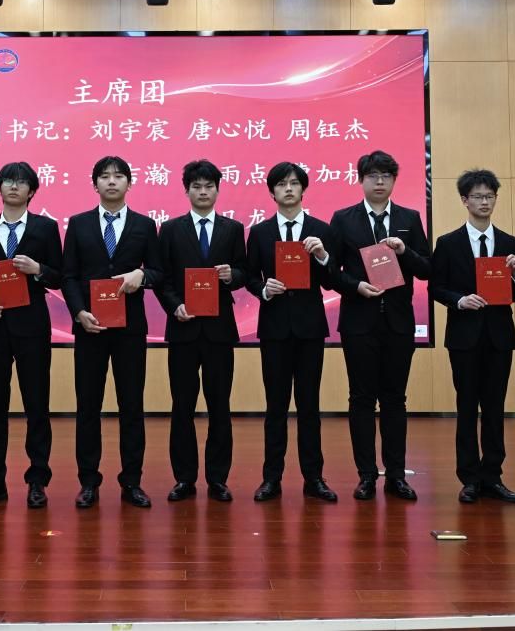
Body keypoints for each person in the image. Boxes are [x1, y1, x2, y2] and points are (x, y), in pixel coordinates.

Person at [61, 156, 163, 509]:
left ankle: (131, 481)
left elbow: (159, 272)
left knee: (131, 406)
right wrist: (79, 313)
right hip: (89, 327)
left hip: (130, 330)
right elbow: (68, 276)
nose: (111, 181)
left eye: (119, 176)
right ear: (95, 184)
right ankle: (88, 481)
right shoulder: (79, 224)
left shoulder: (145, 225)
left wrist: (143, 276)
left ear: (129, 183)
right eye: (104, 176)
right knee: (88, 406)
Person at [329, 150, 431, 501]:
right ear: (361, 180)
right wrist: (355, 286)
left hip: (398, 324)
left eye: (386, 176)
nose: (379, 182)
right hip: (358, 322)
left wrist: (405, 251)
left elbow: (426, 269)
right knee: (361, 399)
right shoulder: (343, 219)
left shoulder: (409, 218)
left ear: (394, 180)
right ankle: (366, 475)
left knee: (395, 400)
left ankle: (396, 476)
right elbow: (330, 273)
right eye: (372, 176)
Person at [0, 162, 63, 509]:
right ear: (0, 187)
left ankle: (37, 480)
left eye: (21, 182)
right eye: (8, 181)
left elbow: (60, 275)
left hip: (32, 325)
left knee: (36, 405)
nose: (14, 186)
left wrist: (38, 270)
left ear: (31, 191)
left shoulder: (45, 228)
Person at [429, 169, 515, 504]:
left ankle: (493, 476)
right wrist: (459, 300)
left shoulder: (510, 244)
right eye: (478, 197)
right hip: (464, 337)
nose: (485, 202)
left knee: (495, 408)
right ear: (464, 200)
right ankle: (469, 477)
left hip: (499, 337)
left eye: (490, 196)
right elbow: (436, 287)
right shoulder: (448, 243)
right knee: (467, 406)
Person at [155, 160, 247, 503]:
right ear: (187, 191)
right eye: (197, 186)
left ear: (218, 190)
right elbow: (162, 278)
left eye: (209, 186)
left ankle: (218, 479)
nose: (203, 191)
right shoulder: (170, 229)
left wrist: (232, 276)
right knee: (182, 406)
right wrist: (174, 305)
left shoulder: (233, 229)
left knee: (220, 406)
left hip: (220, 330)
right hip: (183, 328)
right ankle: (184, 478)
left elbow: (244, 271)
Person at [246, 162, 338, 502]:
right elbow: (249, 276)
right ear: (272, 191)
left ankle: (314, 478)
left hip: (310, 328)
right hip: (274, 329)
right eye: (282, 184)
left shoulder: (320, 230)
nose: (288, 188)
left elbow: (331, 280)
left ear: (303, 189)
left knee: (309, 405)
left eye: (294, 183)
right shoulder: (259, 232)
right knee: (276, 406)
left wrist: (323, 255)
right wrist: (264, 289)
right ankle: (271, 478)